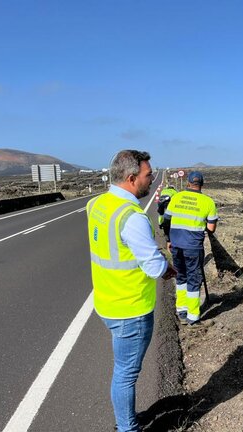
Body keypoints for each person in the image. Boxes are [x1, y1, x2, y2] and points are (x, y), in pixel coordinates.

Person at [86, 150, 176, 432]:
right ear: (131, 177)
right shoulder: (132, 217)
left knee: (123, 371)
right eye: (149, 175)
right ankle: (127, 428)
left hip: (107, 302)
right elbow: (152, 265)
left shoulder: (97, 204)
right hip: (131, 308)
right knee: (126, 374)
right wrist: (167, 268)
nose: (151, 180)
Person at [162, 171, 218, 325]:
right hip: (193, 246)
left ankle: (181, 310)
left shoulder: (176, 197)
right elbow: (211, 228)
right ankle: (193, 317)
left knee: (181, 276)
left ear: (187, 183)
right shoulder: (208, 202)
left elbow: (166, 221)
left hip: (176, 244)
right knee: (194, 279)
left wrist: (168, 239)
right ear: (202, 184)